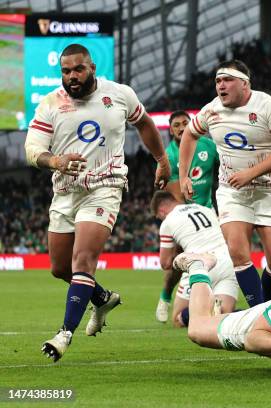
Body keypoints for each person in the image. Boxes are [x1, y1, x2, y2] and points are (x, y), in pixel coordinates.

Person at [24, 43, 171, 362]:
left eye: (78, 69)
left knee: (83, 261)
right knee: (59, 268)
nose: (72, 77)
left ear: (92, 67)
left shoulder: (119, 94)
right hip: (65, 191)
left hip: (104, 186)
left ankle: (64, 334)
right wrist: (55, 160)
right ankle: (102, 298)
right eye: (65, 71)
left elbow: (144, 123)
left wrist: (161, 159)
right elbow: (32, 147)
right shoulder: (50, 103)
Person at [178, 60, 271, 307]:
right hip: (233, 192)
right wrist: (184, 175)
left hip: (269, 191)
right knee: (239, 255)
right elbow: (189, 135)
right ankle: (257, 314)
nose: (221, 86)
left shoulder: (269, 106)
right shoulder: (211, 110)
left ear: (244, 83)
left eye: (227, 80)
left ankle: (263, 306)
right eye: (217, 82)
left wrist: (251, 173)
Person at [156, 110, 219, 323]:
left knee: (220, 256)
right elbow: (176, 196)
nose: (182, 128)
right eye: (177, 125)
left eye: (185, 123)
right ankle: (166, 295)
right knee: (179, 259)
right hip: (185, 214)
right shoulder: (170, 156)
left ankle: (215, 299)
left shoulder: (209, 146)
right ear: (171, 129)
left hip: (210, 210)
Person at [151, 190, 238, 327]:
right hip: (227, 261)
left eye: (158, 217)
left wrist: (178, 250)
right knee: (223, 314)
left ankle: (207, 308)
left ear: (161, 211)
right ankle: (239, 312)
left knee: (177, 319)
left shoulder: (168, 222)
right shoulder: (205, 209)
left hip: (199, 264)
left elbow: (165, 263)